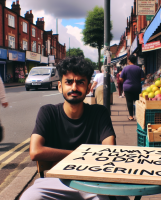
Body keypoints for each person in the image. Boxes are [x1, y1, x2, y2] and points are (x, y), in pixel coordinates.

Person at [20, 57, 129, 200]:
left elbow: (108, 150)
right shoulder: (48, 112)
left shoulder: (99, 113)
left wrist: (62, 158)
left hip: (93, 180)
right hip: (57, 181)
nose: (74, 88)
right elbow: (35, 151)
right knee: (29, 197)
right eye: (69, 82)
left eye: (80, 82)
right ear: (60, 86)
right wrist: (82, 155)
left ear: (89, 87)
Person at [120, 55, 145, 121]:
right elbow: (142, 78)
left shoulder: (125, 68)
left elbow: (121, 78)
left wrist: (125, 81)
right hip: (137, 87)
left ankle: (131, 116)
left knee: (129, 102)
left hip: (127, 87)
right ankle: (138, 116)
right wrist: (137, 80)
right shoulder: (139, 68)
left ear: (129, 60)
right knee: (137, 101)